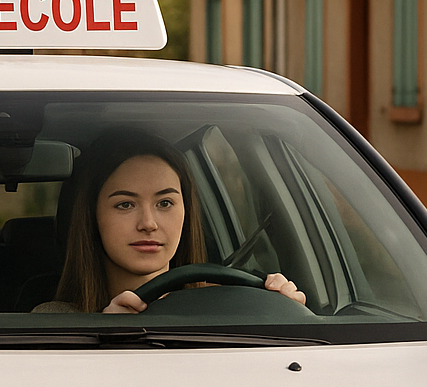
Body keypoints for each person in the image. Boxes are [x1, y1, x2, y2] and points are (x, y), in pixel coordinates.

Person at [37, 129, 306, 314]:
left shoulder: (231, 305)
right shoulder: (53, 321)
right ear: (91, 216)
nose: (148, 223)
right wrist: (105, 338)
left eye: (165, 203)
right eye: (125, 204)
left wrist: (286, 312)